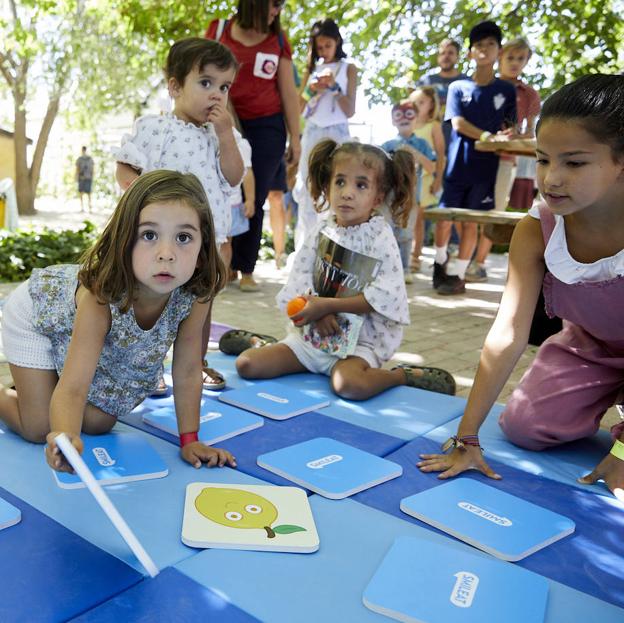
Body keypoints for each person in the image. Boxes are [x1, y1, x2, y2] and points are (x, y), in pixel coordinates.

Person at [417, 74, 624, 497]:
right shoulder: (539, 228)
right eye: (544, 159)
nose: (552, 179)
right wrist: (468, 436)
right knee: (523, 426)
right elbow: (507, 331)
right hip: (592, 349)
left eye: (575, 162)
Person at [0, 170, 237, 473]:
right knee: (37, 426)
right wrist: (65, 437)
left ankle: (38, 385)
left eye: (183, 237)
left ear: (202, 251)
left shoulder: (195, 293)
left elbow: (189, 369)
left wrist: (189, 439)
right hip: (35, 314)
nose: (167, 254)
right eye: (149, 235)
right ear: (125, 241)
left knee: (99, 423)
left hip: (73, 335)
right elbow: (74, 387)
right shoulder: (100, 298)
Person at [235, 140, 456, 399]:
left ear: (378, 197)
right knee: (247, 364)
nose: (347, 192)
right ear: (328, 187)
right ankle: (262, 343)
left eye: (360, 185)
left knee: (348, 386)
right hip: (310, 338)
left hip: (357, 346)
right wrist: (315, 313)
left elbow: (383, 296)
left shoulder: (380, 238)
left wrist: (327, 306)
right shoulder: (322, 230)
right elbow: (300, 279)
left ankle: (401, 375)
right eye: (340, 182)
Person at [114, 37, 246, 391]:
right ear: (174, 86)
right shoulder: (156, 129)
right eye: (206, 83)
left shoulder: (223, 137)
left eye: (224, 86)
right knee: (150, 305)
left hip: (201, 243)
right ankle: (147, 369)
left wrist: (226, 133)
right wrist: (140, 208)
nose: (217, 94)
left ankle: (196, 362)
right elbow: (125, 171)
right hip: (158, 240)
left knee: (201, 304)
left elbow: (234, 176)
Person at [206, 0, 301, 292]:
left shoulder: (279, 40)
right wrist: (225, 118)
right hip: (222, 118)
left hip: (267, 127)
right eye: (274, 4)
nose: (277, 11)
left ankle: (245, 267)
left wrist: (296, 137)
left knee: (254, 195)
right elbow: (205, 77)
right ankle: (217, 263)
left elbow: (288, 89)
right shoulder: (219, 30)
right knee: (218, 190)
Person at [433, 21, 517, 295]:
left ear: (499, 50)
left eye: (490, 44)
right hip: (457, 165)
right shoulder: (458, 87)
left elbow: (510, 127)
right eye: (478, 45)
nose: (484, 50)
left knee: (472, 222)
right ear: (470, 53)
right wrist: (486, 137)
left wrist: (507, 135)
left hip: (486, 169)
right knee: (445, 217)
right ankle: (439, 265)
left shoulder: (507, 91)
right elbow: (457, 123)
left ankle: (457, 276)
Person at [466, 37, 541, 283]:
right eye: (510, 57)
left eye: (521, 59)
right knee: (468, 210)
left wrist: (514, 135)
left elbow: (531, 131)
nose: (515, 63)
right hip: (476, 156)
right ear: (500, 57)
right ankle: (459, 261)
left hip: (508, 158)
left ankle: (478, 264)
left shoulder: (529, 94)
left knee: (494, 210)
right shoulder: (483, 86)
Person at [293, 18, 357, 250]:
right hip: (312, 132)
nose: (323, 51)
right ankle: (304, 248)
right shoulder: (311, 70)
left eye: (327, 45)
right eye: (319, 47)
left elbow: (350, 110)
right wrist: (312, 90)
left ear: (337, 42)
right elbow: (299, 109)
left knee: (337, 183)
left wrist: (334, 88)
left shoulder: (348, 68)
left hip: (337, 132)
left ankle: (335, 247)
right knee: (308, 186)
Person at [381, 100, 436, 284]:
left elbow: (432, 167)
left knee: (405, 235)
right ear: (392, 120)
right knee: (387, 232)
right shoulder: (387, 145)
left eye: (409, 115)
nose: (404, 119)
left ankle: (403, 269)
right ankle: (385, 268)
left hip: (411, 199)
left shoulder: (422, 144)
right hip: (388, 199)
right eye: (399, 115)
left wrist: (414, 153)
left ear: (416, 118)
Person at [408, 86, 446, 271]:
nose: (416, 106)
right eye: (414, 102)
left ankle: (416, 254)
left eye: (421, 102)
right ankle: (406, 252)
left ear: (431, 105)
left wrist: (438, 179)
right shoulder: (408, 124)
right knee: (407, 216)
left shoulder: (433, 126)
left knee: (418, 219)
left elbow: (440, 154)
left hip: (425, 177)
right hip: (408, 177)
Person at [417, 38, 469, 149]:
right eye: (442, 53)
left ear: (457, 57)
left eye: (450, 53)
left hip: (458, 143)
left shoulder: (467, 83)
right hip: (429, 144)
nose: (446, 56)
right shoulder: (426, 82)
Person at [76, 146, 94, 212]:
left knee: (83, 193)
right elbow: (92, 169)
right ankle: (86, 208)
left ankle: (85, 208)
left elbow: (77, 169)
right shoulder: (89, 159)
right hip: (87, 177)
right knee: (87, 193)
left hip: (83, 178)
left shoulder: (80, 159)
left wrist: (76, 176)